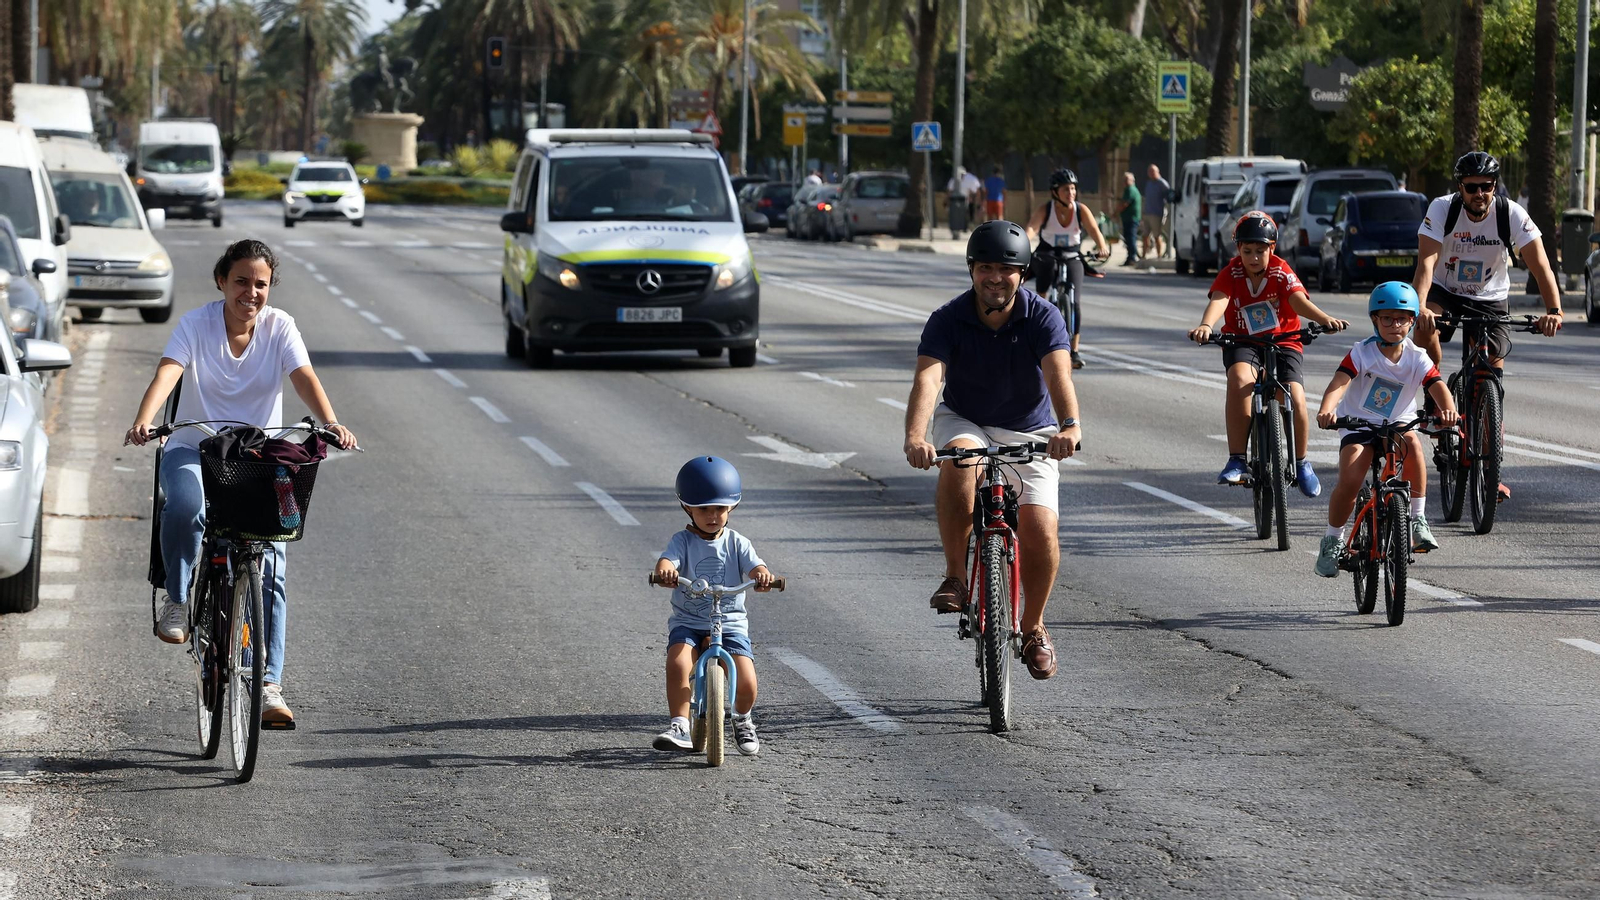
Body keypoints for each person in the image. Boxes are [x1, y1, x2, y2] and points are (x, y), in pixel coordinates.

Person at [124, 240, 357, 727]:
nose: (250, 292)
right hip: (194, 445)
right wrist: (145, 419)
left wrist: (331, 422)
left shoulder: (281, 327)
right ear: (221, 281)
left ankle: (268, 683)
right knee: (186, 509)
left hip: (255, 455)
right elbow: (170, 371)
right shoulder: (195, 324)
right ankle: (179, 599)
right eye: (241, 281)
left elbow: (302, 375)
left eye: (261, 284)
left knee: (270, 564)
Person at [902, 220, 1083, 681]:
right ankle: (955, 577)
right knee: (961, 461)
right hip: (968, 419)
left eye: (1006, 269)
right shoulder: (948, 317)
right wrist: (916, 435)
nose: (995, 278)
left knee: (1041, 529)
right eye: (985, 268)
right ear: (971, 270)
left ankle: (1034, 627)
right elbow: (929, 377)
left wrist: (1069, 425)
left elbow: (1058, 374)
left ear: (1022, 274)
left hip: (1031, 428)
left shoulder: (1043, 315)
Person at [1411, 151, 1564, 503]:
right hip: (1446, 291)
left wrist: (1553, 310)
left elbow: (1541, 266)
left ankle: (1489, 472)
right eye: (1472, 187)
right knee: (1424, 331)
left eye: (1487, 186)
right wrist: (1420, 307)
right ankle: (1436, 399)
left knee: (1491, 381)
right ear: (1460, 187)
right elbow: (1426, 263)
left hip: (1491, 296)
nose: (1480, 193)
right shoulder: (1441, 209)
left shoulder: (1510, 214)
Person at [1187, 212, 1348, 495]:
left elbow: (1297, 300)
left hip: (1283, 341)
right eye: (1247, 251)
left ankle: (1301, 463)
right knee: (1239, 381)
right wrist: (1205, 325)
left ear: (1272, 248)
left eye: (1260, 251)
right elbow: (1220, 300)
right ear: (1238, 249)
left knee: (1294, 396)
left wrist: (1324, 319)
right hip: (1243, 341)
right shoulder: (1231, 272)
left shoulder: (1281, 270)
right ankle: (1237, 460)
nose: (1253, 257)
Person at [1314, 283, 1460, 576]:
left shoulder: (1417, 356)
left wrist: (1449, 410)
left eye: (1403, 319)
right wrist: (1327, 409)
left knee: (1413, 446)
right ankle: (1333, 540)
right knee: (1352, 479)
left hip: (1397, 424)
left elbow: (1437, 385)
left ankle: (1417, 520)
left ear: (1413, 321)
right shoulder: (1362, 353)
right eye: (1387, 319)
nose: (1395, 325)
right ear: (1374, 320)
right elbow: (1339, 383)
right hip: (1359, 424)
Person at [652, 457, 776, 756]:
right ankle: (680, 724)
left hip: (729, 623)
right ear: (687, 507)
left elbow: (755, 566)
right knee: (679, 663)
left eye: (719, 508)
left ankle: (743, 718)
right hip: (689, 621)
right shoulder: (682, 541)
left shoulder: (738, 542)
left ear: (731, 507)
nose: (712, 516)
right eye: (704, 509)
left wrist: (762, 576)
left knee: (746, 680)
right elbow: (667, 560)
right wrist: (666, 571)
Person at [1025, 167, 1109, 370]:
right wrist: (1022, 243)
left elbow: (1094, 230)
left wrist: (1102, 247)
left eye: (1072, 189)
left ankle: (1074, 350)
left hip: (1073, 254)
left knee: (1076, 300)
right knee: (1043, 289)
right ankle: (1039, 332)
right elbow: (1032, 228)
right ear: (1055, 192)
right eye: (1065, 189)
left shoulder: (1081, 209)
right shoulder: (1046, 209)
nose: (1070, 193)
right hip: (1047, 253)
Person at [1141, 164, 1171, 259]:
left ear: (1157, 172)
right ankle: (1143, 256)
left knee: (1157, 236)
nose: (1151, 174)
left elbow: (1168, 197)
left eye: (1153, 171)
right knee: (1145, 236)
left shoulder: (1162, 183)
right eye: (1149, 172)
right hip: (1147, 213)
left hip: (1156, 214)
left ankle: (1159, 255)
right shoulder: (1149, 183)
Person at [947, 166, 982, 236]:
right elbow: (949, 191)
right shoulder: (953, 180)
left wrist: (975, 200)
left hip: (965, 201)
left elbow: (975, 191)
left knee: (966, 215)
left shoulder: (970, 179)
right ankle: (956, 231)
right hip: (955, 201)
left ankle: (966, 227)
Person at [1117, 171, 1142, 266]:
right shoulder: (1128, 189)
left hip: (1131, 218)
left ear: (1133, 180)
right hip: (1128, 218)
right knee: (1128, 238)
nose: (1125, 182)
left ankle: (1132, 257)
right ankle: (1129, 258)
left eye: (1127, 180)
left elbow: (1125, 203)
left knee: (1131, 238)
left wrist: (1116, 212)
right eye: (1124, 180)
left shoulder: (1130, 190)